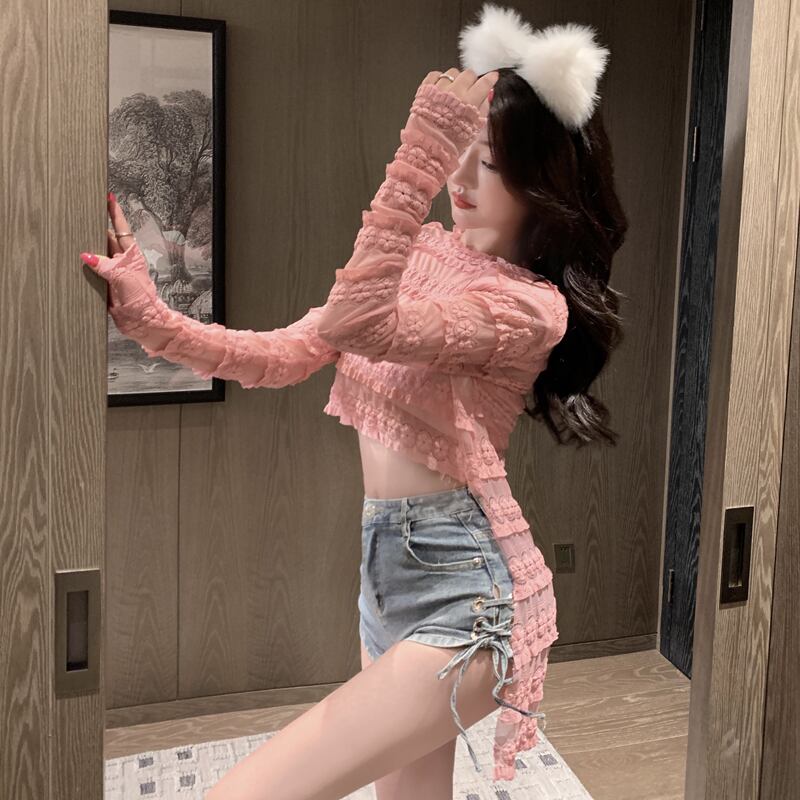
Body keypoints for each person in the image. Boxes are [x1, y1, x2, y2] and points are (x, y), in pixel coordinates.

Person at [81, 5, 627, 798]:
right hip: (384, 573)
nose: (458, 181)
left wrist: (421, 151)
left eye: (488, 163)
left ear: (546, 180)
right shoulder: (424, 254)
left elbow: (357, 322)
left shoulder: (530, 308)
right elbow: (285, 353)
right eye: (455, 156)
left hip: (466, 592)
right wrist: (151, 319)